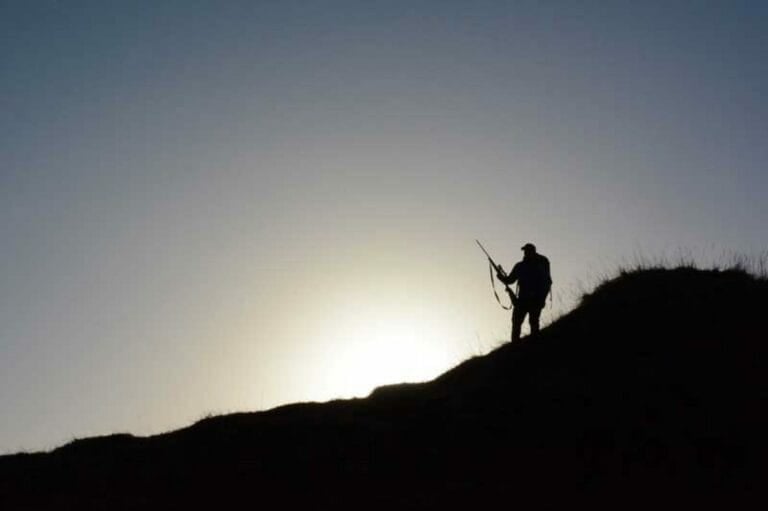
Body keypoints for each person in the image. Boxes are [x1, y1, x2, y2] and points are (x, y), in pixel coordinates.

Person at [497, 243, 552, 342]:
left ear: (532, 251)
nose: (525, 253)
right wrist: (501, 277)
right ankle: (521, 346)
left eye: (527, 251)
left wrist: (500, 277)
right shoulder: (522, 266)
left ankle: (523, 346)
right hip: (528, 300)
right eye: (525, 251)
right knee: (523, 322)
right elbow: (510, 280)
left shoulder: (529, 265)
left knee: (527, 322)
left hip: (530, 299)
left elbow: (509, 280)